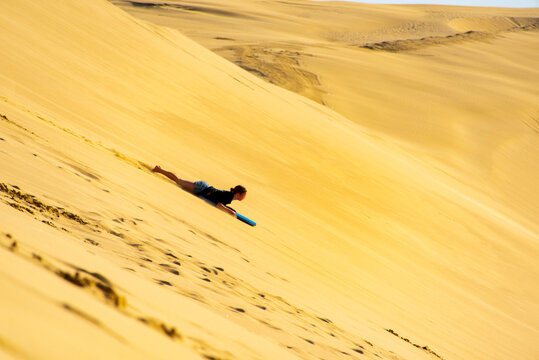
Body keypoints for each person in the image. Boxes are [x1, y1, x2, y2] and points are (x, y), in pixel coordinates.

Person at [152, 165, 246, 217]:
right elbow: (219, 205)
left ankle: (160, 170)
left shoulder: (229, 196)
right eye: (244, 195)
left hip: (203, 189)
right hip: (202, 188)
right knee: (178, 180)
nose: (244, 197)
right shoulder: (229, 196)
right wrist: (230, 212)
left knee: (179, 180)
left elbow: (220, 201)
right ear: (238, 194)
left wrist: (231, 210)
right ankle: (159, 170)